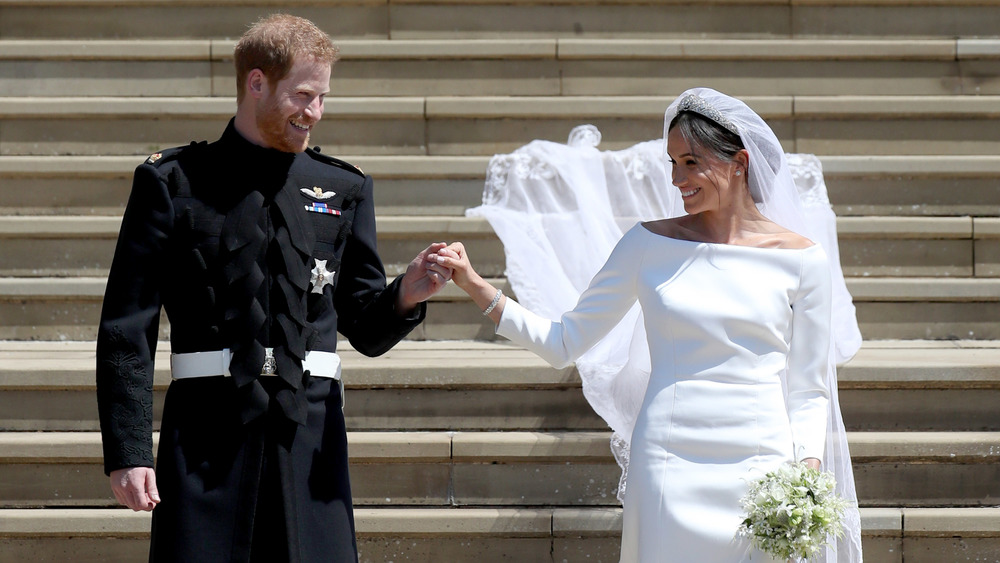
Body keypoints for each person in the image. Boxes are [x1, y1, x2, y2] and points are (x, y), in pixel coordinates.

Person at [435, 87, 862, 562]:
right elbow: (563, 342)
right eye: (672, 163)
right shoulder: (646, 244)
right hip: (668, 462)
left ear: (740, 162)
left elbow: (808, 390)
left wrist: (804, 475)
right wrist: (476, 286)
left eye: (691, 162)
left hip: (764, 463)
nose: (677, 178)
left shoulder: (804, 260)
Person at [95, 14, 451, 562]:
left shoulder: (344, 187)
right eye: (303, 95)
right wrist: (129, 451)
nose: (315, 112)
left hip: (310, 442)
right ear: (256, 82)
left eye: (323, 97)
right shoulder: (172, 182)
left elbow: (363, 326)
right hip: (204, 437)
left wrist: (407, 293)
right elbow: (127, 327)